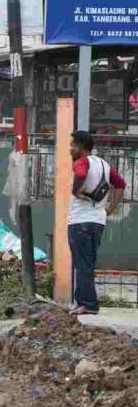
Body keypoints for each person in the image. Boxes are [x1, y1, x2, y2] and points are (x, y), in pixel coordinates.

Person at [68, 131, 125, 315]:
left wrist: (76, 190)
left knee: (82, 262)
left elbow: (80, 172)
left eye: (72, 145)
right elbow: (121, 185)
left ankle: (89, 304)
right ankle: (82, 301)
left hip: (81, 221)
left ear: (81, 147)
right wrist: (110, 209)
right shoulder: (104, 164)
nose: (70, 149)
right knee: (87, 262)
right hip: (98, 221)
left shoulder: (81, 162)